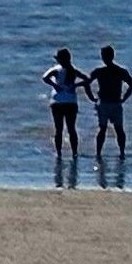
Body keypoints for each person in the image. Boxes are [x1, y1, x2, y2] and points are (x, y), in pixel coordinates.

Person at [88, 49, 132, 186]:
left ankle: (103, 153)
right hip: (112, 102)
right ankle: (118, 153)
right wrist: (124, 98)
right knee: (115, 129)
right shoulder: (118, 71)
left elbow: (86, 82)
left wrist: (91, 97)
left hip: (107, 102)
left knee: (107, 129)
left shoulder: (102, 71)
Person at [47, 50, 88, 185]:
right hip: (71, 102)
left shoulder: (56, 69)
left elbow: (44, 78)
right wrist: (76, 85)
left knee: (58, 129)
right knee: (71, 129)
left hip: (57, 101)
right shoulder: (73, 70)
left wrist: (55, 86)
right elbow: (87, 79)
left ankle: (59, 153)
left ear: (59, 59)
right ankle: (74, 153)